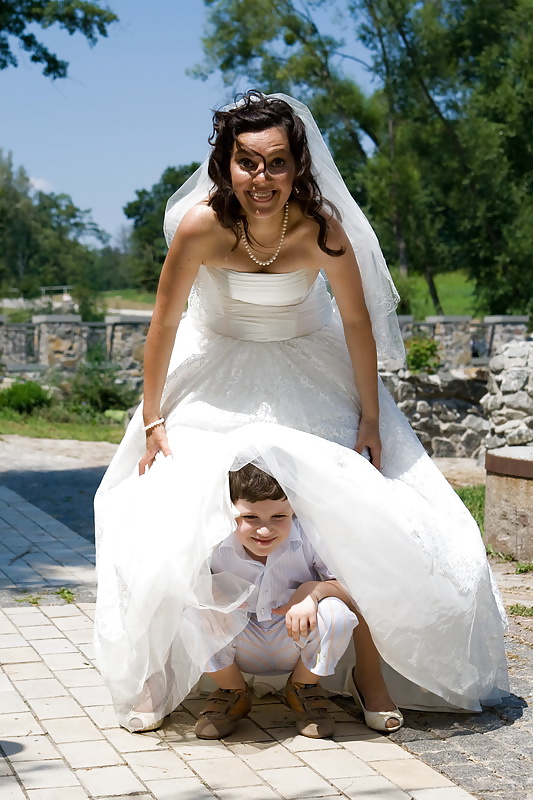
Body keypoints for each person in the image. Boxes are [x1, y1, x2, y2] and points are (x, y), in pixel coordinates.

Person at [94, 91, 509, 733]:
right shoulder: (201, 227)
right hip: (219, 370)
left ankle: (363, 672)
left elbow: (355, 322)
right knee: (167, 500)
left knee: (361, 505)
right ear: (226, 165)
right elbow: (165, 323)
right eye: (247, 162)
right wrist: (153, 419)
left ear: (298, 167)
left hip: (308, 365)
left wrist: (371, 420)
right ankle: (168, 671)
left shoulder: (320, 227)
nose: (262, 179)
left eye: (277, 163)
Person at [194, 462, 403, 740]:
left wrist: (312, 592)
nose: (264, 530)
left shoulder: (308, 535)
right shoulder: (215, 541)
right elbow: (179, 586)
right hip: (239, 640)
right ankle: (234, 690)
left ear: (294, 510)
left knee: (336, 613)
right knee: (192, 611)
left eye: (279, 516)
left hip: (294, 637)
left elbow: (355, 586)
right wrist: (211, 592)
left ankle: (302, 688)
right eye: (251, 518)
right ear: (230, 511)